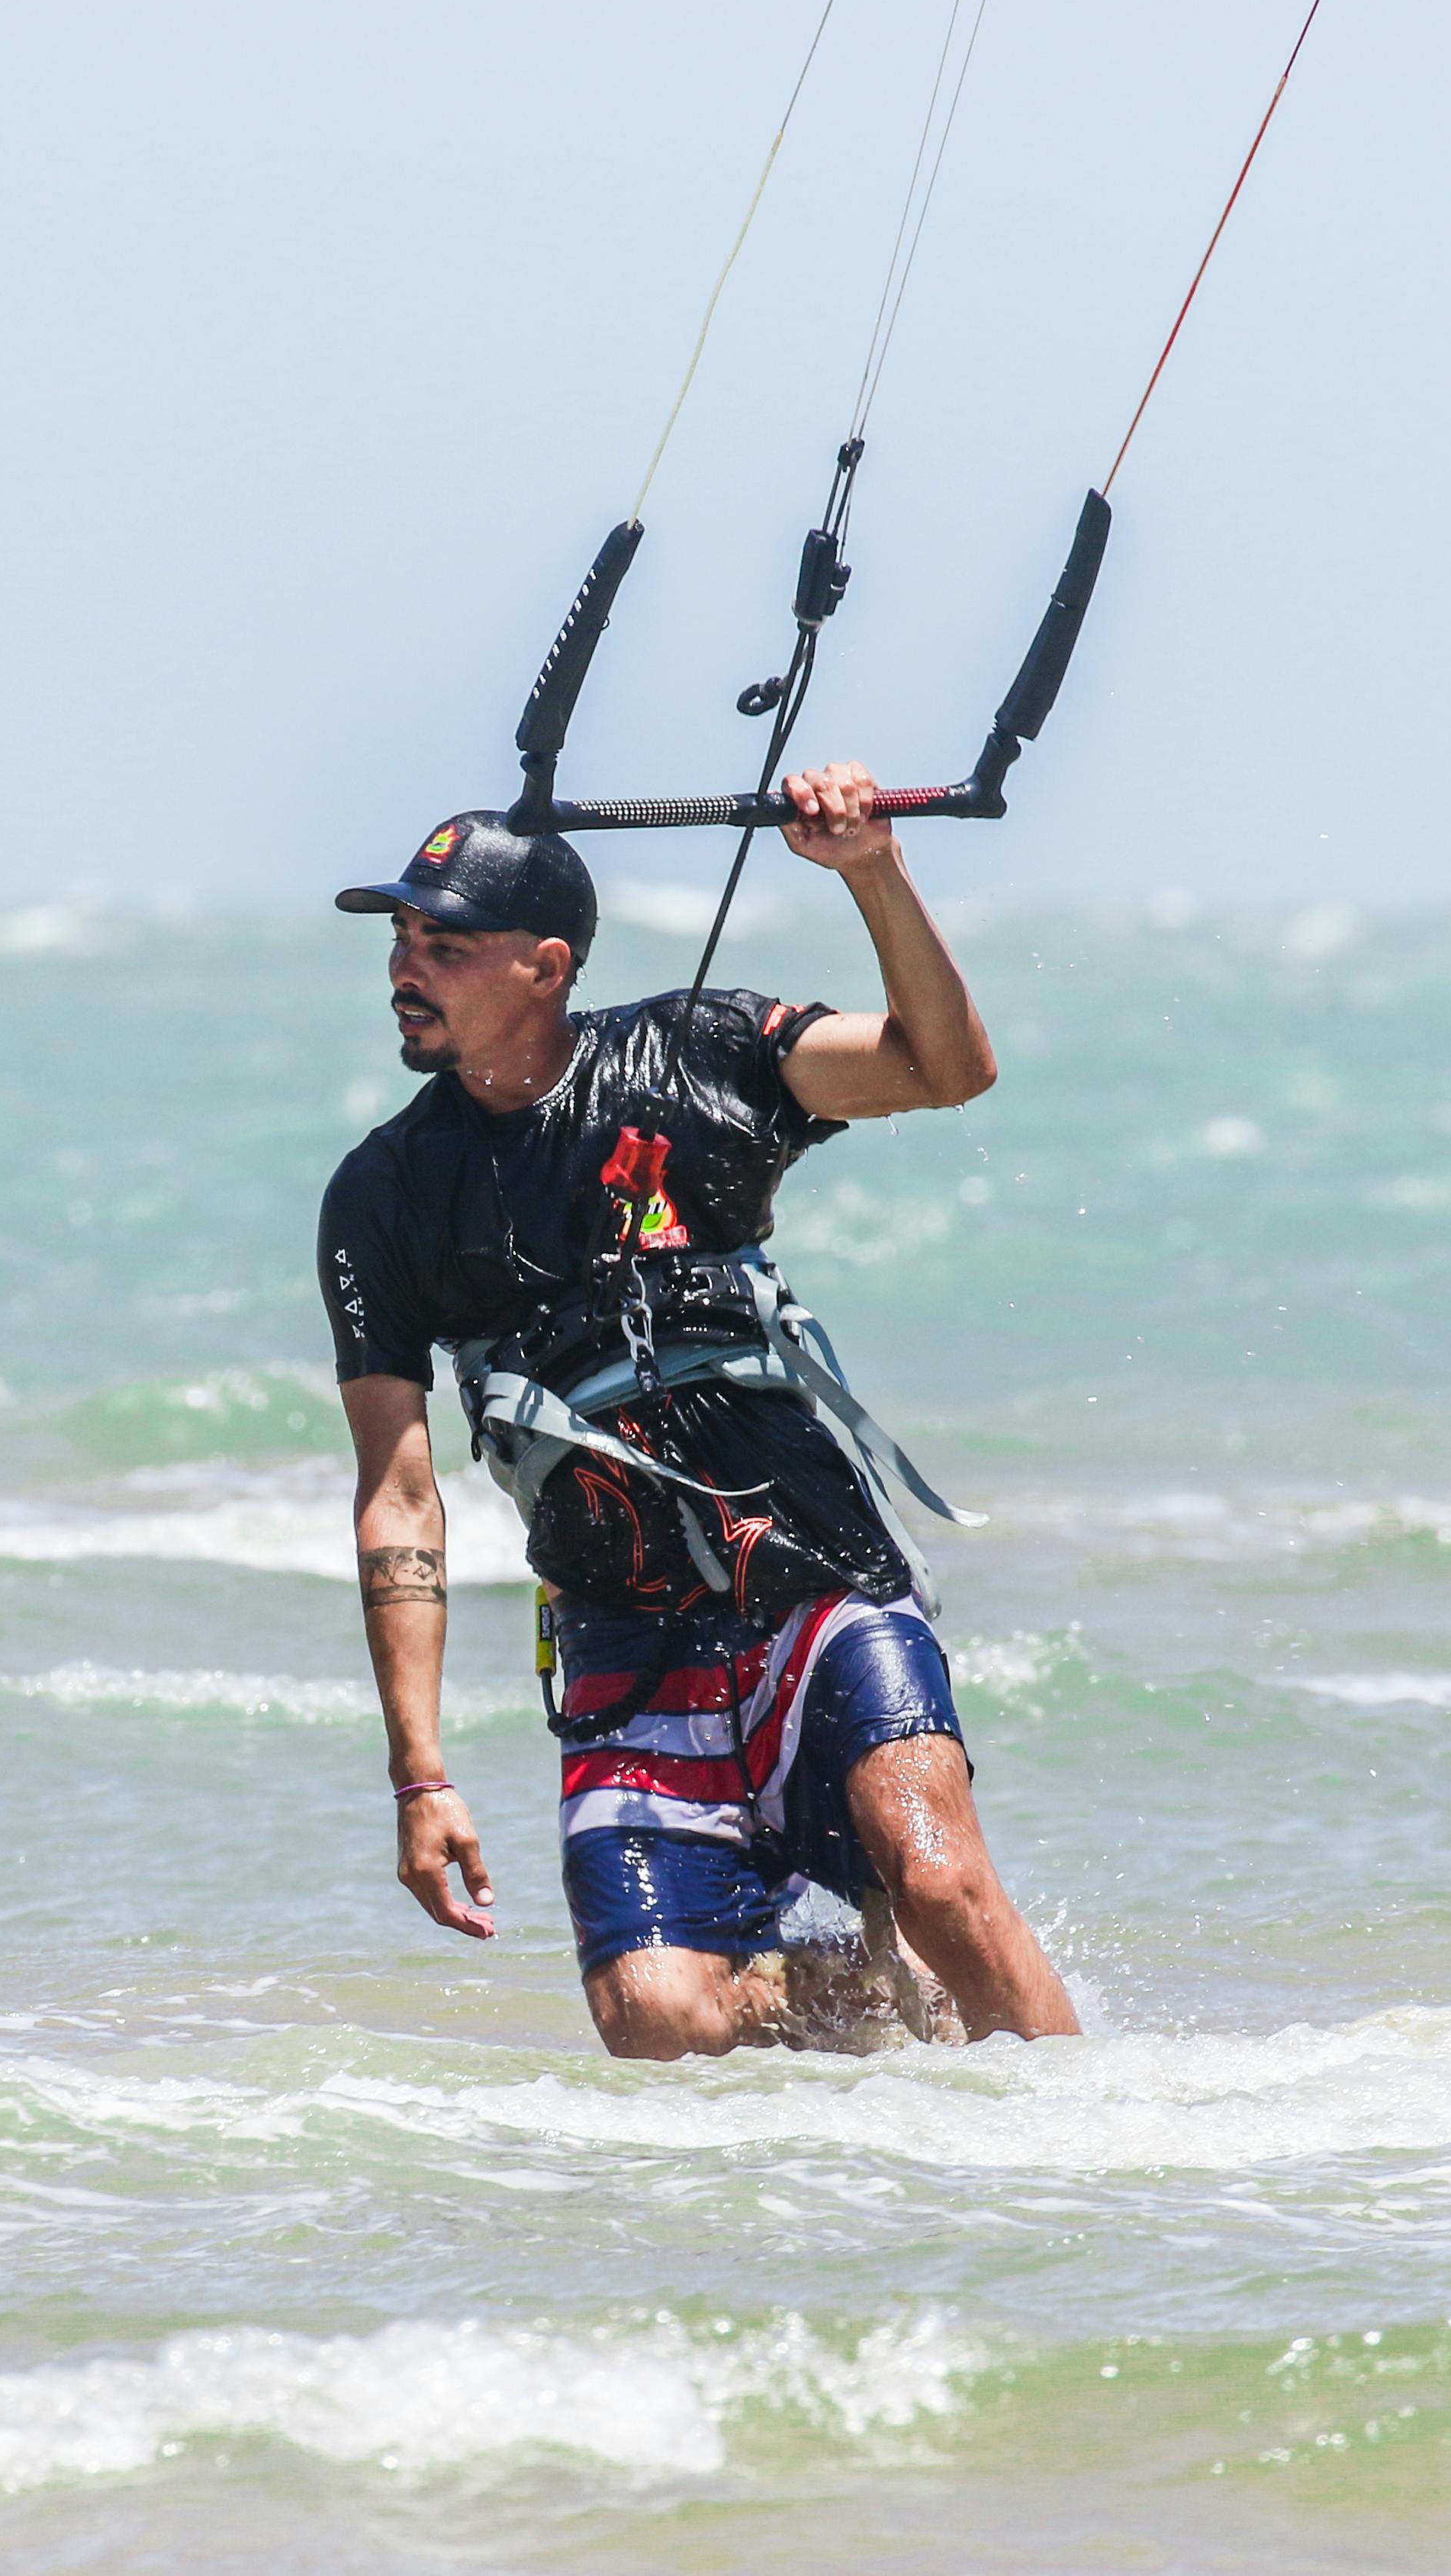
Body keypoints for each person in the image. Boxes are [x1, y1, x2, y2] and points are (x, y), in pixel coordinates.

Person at [317, 762, 1079, 2060]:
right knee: (658, 2020)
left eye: (445, 944)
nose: (407, 966)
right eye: (400, 939)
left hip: (813, 1570)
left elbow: (944, 1067)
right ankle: (885, 2003)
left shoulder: (699, 1054)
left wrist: (870, 871)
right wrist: (421, 1772)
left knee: (940, 1879)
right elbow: (399, 1490)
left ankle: (1096, 2148)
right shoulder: (385, 1193)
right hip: (623, 1635)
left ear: (545, 965)